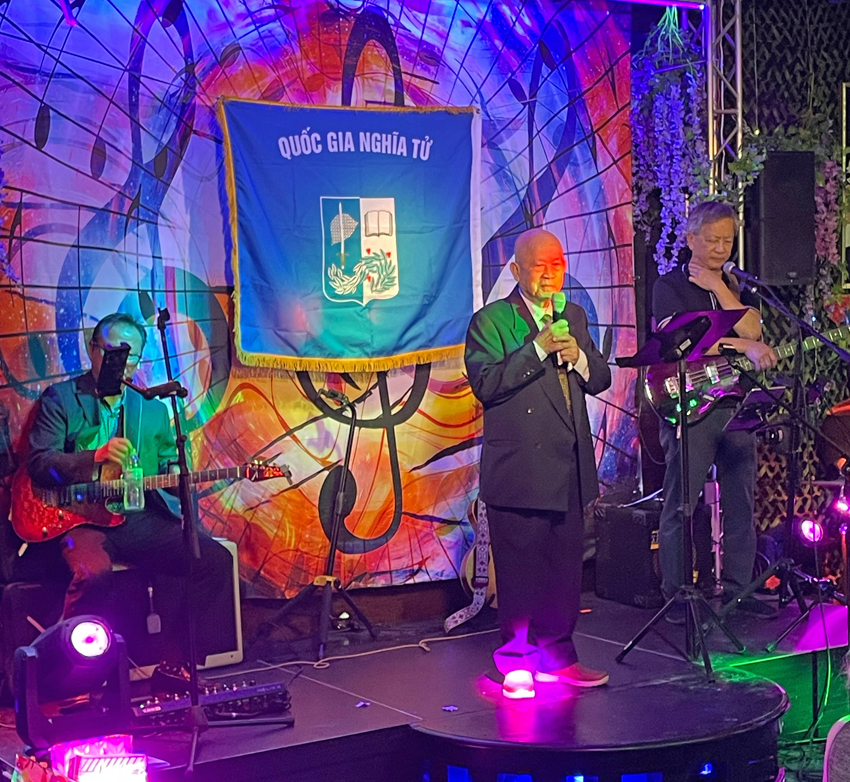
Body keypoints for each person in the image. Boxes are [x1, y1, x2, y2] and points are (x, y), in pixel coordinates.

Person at [26, 312, 233, 685]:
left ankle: (174, 664)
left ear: (139, 359)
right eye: (111, 351)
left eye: (130, 354)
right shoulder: (62, 399)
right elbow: (40, 464)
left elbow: (168, 465)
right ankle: (68, 674)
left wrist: (179, 473)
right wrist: (95, 456)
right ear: (92, 350)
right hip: (80, 520)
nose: (120, 361)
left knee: (213, 560)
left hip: (136, 518)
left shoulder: (151, 409)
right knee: (93, 575)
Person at [465, 227, 611, 695]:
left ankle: (559, 657)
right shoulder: (492, 321)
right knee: (521, 574)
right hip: (520, 471)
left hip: (568, 467)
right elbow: (487, 385)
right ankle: (516, 663)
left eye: (557, 264)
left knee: (564, 572)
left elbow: (600, 378)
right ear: (515, 270)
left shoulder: (575, 316)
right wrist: (537, 349)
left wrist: (579, 358)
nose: (550, 274)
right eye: (538, 266)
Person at [652, 201, 778, 622]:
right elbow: (689, 342)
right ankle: (676, 594)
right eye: (713, 240)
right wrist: (745, 346)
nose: (722, 248)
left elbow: (753, 328)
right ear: (691, 239)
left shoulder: (732, 285)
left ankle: (740, 590)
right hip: (691, 404)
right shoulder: (669, 286)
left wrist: (719, 287)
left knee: (741, 499)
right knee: (682, 503)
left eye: (728, 240)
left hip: (735, 403)